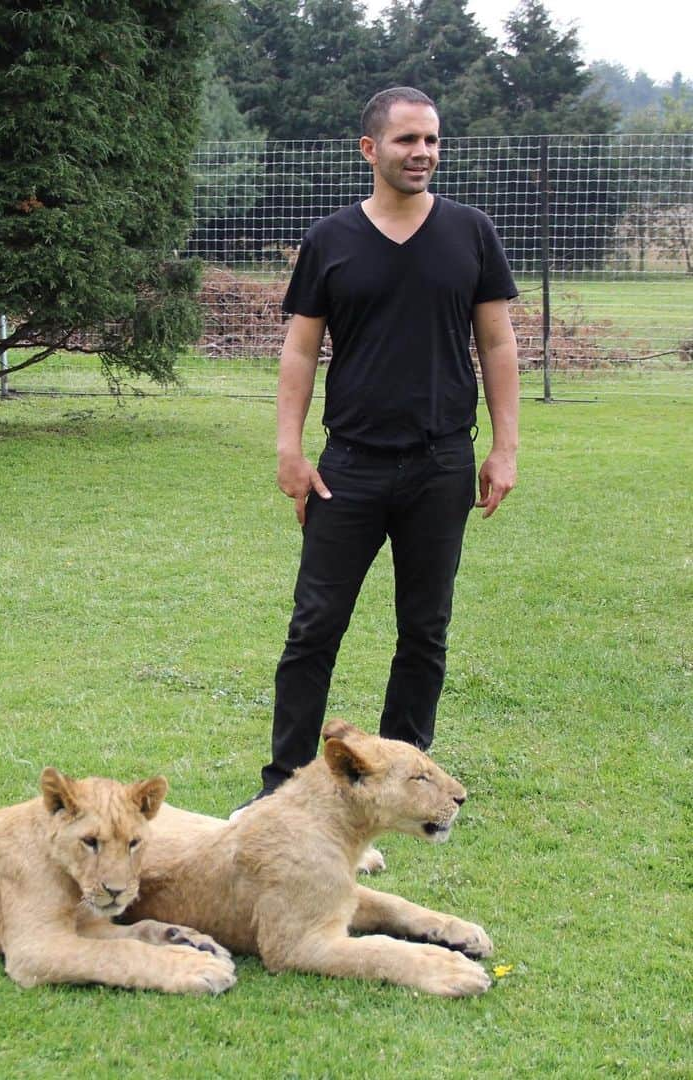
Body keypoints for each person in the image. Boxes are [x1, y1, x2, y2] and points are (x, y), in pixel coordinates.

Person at [234, 87, 520, 815]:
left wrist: (505, 449)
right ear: (370, 149)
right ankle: (283, 790)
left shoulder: (471, 232)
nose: (421, 152)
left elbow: (496, 342)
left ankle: (401, 788)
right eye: (405, 141)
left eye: (430, 140)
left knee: (424, 632)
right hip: (349, 468)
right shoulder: (332, 239)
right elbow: (300, 350)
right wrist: (289, 451)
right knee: (313, 629)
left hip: (441, 463)